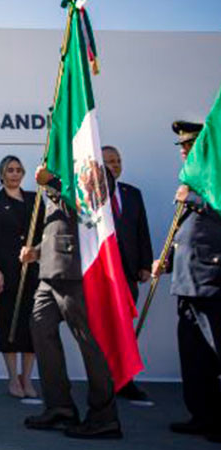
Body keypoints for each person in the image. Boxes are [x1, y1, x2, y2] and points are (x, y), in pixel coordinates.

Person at [19, 165, 121, 439]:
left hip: (77, 269)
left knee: (89, 343)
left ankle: (104, 416)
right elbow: (60, 223)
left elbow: (91, 205)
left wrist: (52, 182)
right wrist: (37, 251)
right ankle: (60, 407)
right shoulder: (61, 169)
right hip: (50, 270)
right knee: (40, 331)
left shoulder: (91, 161)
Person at [153, 121, 221, 443]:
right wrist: (166, 262)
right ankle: (203, 417)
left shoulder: (213, 184)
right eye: (182, 147)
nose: (184, 152)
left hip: (212, 282)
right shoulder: (192, 187)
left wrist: (194, 198)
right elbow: (186, 238)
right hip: (187, 283)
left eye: (190, 146)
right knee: (195, 360)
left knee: (217, 353)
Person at [0, 155, 43, 399]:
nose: (15, 174)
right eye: (10, 170)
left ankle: (27, 379)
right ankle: (12, 378)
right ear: (2, 174)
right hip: (4, 272)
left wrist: (36, 252)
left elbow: (44, 233)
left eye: (18, 169)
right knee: (8, 323)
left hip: (33, 270)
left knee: (32, 325)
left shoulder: (35, 200)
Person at [101, 145, 155, 406]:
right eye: (109, 161)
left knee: (125, 329)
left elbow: (141, 230)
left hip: (128, 274)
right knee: (102, 329)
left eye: (117, 160)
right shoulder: (92, 195)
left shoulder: (132, 194)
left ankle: (125, 380)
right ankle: (102, 380)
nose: (114, 165)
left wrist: (145, 264)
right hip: (102, 274)